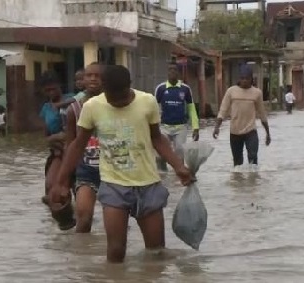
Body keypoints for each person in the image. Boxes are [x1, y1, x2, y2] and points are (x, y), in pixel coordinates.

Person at [50, 64, 193, 263]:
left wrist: (178, 167)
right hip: (114, 186)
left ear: (130, 86)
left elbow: (157, 138)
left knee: (156, 252)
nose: (117, 102)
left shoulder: (147, 102)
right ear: (103, 87)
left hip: (148, 185)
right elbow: (77, 145)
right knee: (116, 252)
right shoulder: (92, 107)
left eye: (122, 97)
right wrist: (61, 182)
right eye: (112, 98)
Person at [63, 62, 105, 233]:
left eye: (97, 75)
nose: (93, 79)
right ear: (83, 79)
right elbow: (71, 144)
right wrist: (66, 178)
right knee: (84, 218)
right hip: (86, 171)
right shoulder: (74, 109)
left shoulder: (116, 105)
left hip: (115, 172)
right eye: (89, 75)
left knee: (118, 221)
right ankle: (80, 256)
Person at [213, 65, 271, 170]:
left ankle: (253, 184)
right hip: (235, 132)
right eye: (242, 78)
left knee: (253, 159)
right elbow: (223, 110)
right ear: (239, 78)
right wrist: (217, 127)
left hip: (251, 131)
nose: (244, 81)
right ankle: (239, 184)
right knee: (237, 163)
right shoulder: (231, 91)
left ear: (251, 79)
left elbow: (262, 114)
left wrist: (268, 133)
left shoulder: (257, 93)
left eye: (247, 78)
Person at [38, 74, 75, 230]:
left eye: (54, 88)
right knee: (50, 187)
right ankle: (61, 220)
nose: (51, 92)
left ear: (60, 86)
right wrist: (53, 139)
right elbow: (45, 136)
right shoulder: (45, 109)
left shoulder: (72, 99)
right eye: (47, 90)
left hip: (76, 148)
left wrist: (66, 136)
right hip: (57, 150)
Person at [154, 64, 200, 172]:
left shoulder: (185, 89)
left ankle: (178, 178)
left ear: (178, 73)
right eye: (170, 70)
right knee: (160, 154)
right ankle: (163, 177)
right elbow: (154, 107)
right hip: (164, 126)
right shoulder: (161, 88)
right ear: (167, 72)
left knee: (179, 153)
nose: (172, 72)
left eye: (175, 70)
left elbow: (191, 108)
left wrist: (196, 126)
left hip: (181, 127)